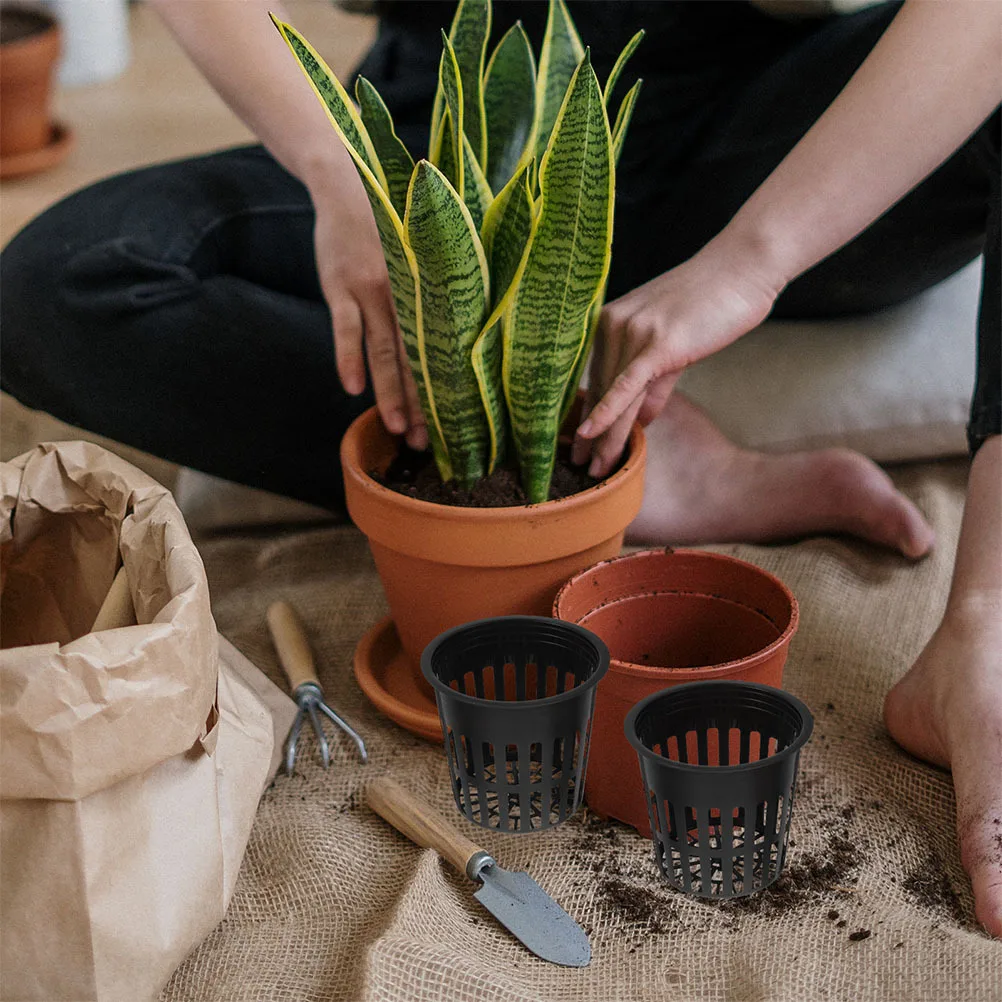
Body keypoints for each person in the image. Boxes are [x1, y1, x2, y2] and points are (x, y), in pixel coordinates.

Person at [0, 0, 997, 934]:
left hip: (756, 132)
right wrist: (342, 174)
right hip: (448, 128)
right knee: (62, 282)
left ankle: (983, 633)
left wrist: (753, 260)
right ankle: (594, 445)